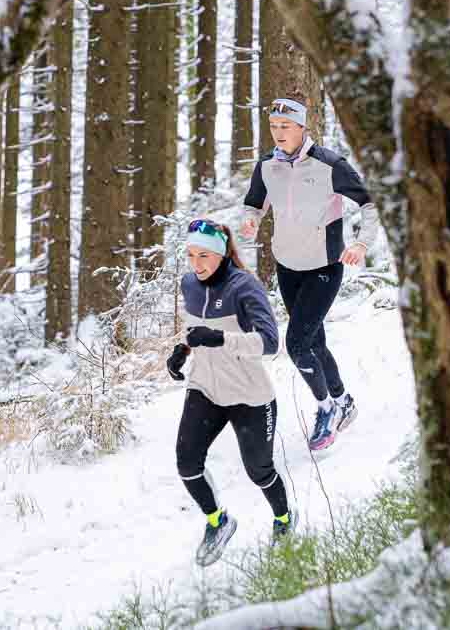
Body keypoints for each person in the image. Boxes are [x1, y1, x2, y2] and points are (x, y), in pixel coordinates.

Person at [240, 91, 378, 452]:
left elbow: (370, 203)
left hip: (324, 267)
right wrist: (250, 221)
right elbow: (254, 204)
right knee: (314, 341)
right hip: (287, 267)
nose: (278, 132)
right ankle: (344, 400)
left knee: (297, 345)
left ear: (302, 126)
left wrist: (361, 244)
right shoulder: (267, 165)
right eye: (273, 126)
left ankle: (326, 408)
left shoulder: (329, 164)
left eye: (285, 126)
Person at [167, 218, 293, 567]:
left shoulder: (244, 287)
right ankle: (218, 521)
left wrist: (221, 339)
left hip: (249, 393)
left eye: (204, 256)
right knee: (187, 463)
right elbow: (193, 328)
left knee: (259, 471)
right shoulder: (189, 284)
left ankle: (284, 519)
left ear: (221, 254)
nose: (196, 264)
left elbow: (270, 343)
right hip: (205, 387)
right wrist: (182, 350)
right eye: (190, 255)